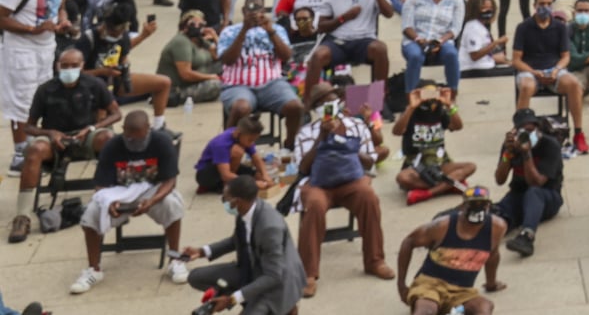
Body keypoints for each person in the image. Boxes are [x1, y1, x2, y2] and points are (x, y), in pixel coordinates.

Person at [71, 109, 190, 294]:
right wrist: (109, 202)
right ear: (123, 130)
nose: (134, 143)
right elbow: (101, 185)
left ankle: (175, 259)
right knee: (91, 213)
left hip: (151, 190)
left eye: (140, 139)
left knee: (172, 204)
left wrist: (152, 200)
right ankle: (93, 269)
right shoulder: (112, 146)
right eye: (130, 138)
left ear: (148, 130)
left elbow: (170, 181)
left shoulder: (162, 142)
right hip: (120, 192)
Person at [290, 86, 393, 295]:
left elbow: (370, 160)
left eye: (331, 102)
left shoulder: (355, 125)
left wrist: (347, 148)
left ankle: (375, 260)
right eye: (321, 105)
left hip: (350, 179)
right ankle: (308, 274)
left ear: (339, 103)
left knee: (369, 197)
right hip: (317, 182)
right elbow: (302, 168)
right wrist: (322, 137)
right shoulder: (306, 132)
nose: (326, 108)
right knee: (315, 205)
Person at [10, 46, 119, 244]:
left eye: (74, 66)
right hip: (54, 138)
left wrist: (93, 127)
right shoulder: (45, 89)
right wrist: (50, 133)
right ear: (57, 66)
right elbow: (29, 127)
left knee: (109, 140)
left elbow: (116, 113)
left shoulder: (94, 84)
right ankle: (22, 216)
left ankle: (109, 197)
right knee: (34, 150)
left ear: (82, 65)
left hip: (85, 135)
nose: (69, 70)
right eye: (65, 65)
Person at [178, 173, 306, 315]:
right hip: (251, 269)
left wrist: (232, 299)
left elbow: (273, 276)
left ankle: (282, 307)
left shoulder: (270, 227)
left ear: (236, 201)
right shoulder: (246, 209)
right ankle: (245, 295)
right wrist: (202, 251)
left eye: (225, 199)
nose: (225, 203)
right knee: (196, 277)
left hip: (275, 284)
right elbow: (237, 240)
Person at [3, 0, 77, 174]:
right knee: (21, 101)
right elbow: (1, 16)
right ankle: (19, 153)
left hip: (46, 47)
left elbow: (61, 3)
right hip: (20, 48)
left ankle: (40, 148)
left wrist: (63, 20)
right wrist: (32, 30)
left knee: (44, 97)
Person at [396, 185, 506, 315]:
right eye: (473, 204)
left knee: (484, 307)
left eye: (482, 204)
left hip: (462, 291)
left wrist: (491, 284)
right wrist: (401, 285)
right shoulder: (443, 226)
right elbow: (409, 242)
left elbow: (492, 255)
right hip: (430, 285)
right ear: (463, 206)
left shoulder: (497, 227)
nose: (478, 208)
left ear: (488, 206)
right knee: (427, 310)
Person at [215, 0, 305, 141]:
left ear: (264, 10)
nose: (254, 12)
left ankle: (290, 145)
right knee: (240, 108)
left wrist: (270, 32)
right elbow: (227, 60)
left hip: (272, 83)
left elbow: (287, 56)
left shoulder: (276, 29)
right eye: (250, 8)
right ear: (244, 11)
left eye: (258, 8)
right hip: (237, 85)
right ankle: (227, 146)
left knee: (296, 106)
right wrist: (244, 30)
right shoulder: (230, 31)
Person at [510, 0, 589, 155]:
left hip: (553, 70)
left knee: (574, 84)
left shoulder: (560, 27)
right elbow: (516, 60)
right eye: (541, 4)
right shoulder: (523, 27)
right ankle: (520, 132)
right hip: (530, 70)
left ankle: (579, 133)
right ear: (534, 6)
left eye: (548, 4)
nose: (545, 7)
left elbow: (565, 57)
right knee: (525, 86)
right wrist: (534, 72)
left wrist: (556, 70)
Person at [307, 0, 394, 88]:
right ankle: (309, 101)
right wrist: (343, 18)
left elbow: (389, 13)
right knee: (318, 55)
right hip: (338, 41)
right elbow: (321, 26)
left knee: (380, 49)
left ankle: (379, 97)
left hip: (364, 40)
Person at [493, 107, 564, 258]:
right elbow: (500, 180)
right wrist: (507, 154)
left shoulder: (550, 145)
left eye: (531, 130)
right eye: (523, 131)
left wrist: (526, 153)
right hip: (518, 194)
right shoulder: (510, 146)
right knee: (498, 216)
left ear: (538, 129)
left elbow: (536, 182)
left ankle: (527, 236)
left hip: (547, 197)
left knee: (533, 193)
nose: (527, 135)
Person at [395, 82, 475, 206]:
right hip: (416, 166)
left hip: (440, 164)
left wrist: (449, 105)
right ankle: (449, 185)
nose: (430, 99)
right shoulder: (412, 113)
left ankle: (429, 193)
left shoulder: (441, 112)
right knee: (402, 178)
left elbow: (457, 126)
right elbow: (397, 131)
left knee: (470, 166)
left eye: (433, 93)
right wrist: (411, 107)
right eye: (426, 93)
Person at [401, 0, 465, 94]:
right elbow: (407, 26)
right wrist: (418, 39)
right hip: (415, 39)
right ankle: (410, 94)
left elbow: (455, 28)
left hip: (443, 39)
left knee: (451, 54)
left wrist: (440, 40)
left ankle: (453, 91)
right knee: (415, 56)